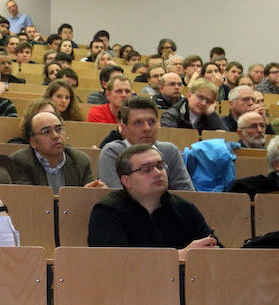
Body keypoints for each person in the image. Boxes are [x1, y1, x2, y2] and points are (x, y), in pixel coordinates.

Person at [87, 144, 218, 259]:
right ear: (126, 181)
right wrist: (179, 256)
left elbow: (216, 252)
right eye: (146, 169)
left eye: (160, 166)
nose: (158, 173)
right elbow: (114, 262)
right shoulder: (107, 212)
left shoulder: (184, 208)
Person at [98, 97, 195, 191]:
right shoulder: (113, 152)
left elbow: (188, 194)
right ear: (124, 128)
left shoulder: (170, 151)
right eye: (138, 123)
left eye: (151, 122)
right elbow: (114, 197)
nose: (147, 128)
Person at [11, 111, 100, 193]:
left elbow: (90, 194)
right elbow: (27, 198)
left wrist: (95, 191)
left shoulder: (80, 160)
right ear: (33, 142)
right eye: (46, 132)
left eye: (59, 129)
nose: (55, 136)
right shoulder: (20, 162)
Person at [160, 79, 227, 131]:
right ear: (189, 96)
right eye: (201, 97)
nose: (203, 103)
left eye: (208, 101)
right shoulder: (172, 115)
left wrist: (212, 114)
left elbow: (226, 137)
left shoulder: (210, 117)